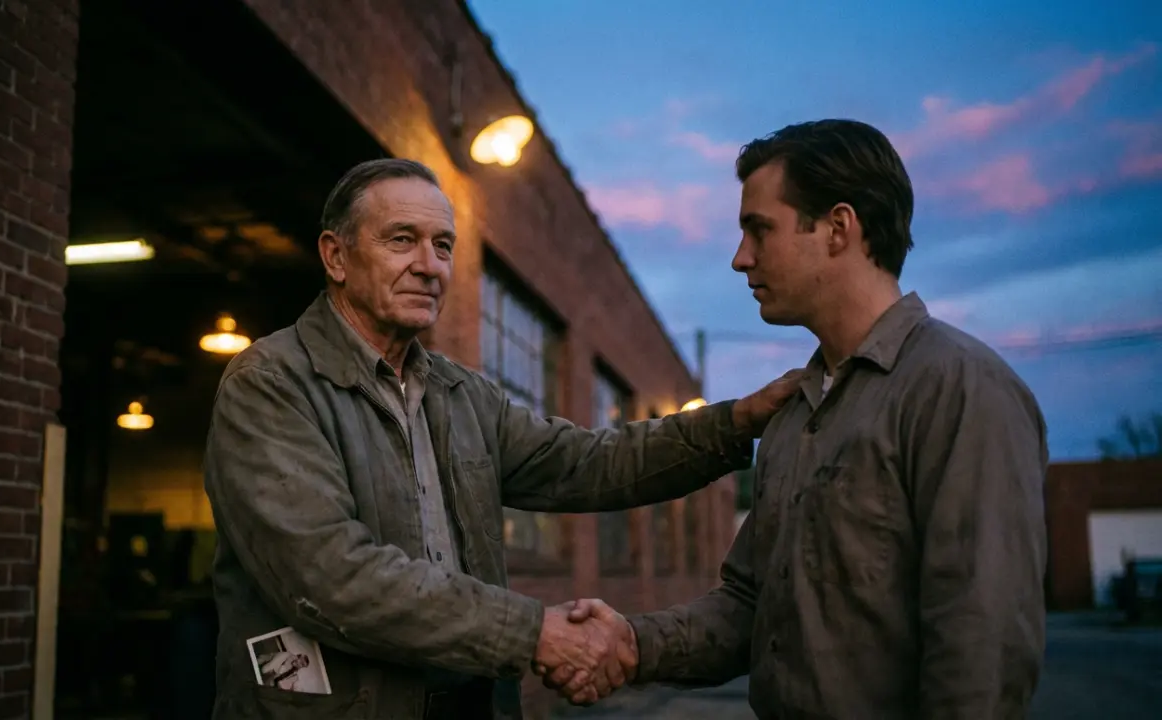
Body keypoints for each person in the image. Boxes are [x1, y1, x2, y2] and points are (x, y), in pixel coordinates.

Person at [202, 158, 802, 719]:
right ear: (335, 256)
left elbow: (587, 463)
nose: (430, 265)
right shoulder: (271, 383)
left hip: (474, 700)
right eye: (401, 240)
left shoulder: (461, 394)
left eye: (443, 247)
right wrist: (534, 633)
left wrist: (736, 422)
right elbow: (331, 576)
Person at [543, 120, 1050, 718]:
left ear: (839, 228)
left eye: (759, 230)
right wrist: (632, 643)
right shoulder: (791, 413)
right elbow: (752, 606)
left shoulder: (961, 389)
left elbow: (981, 653)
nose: (740, 259)